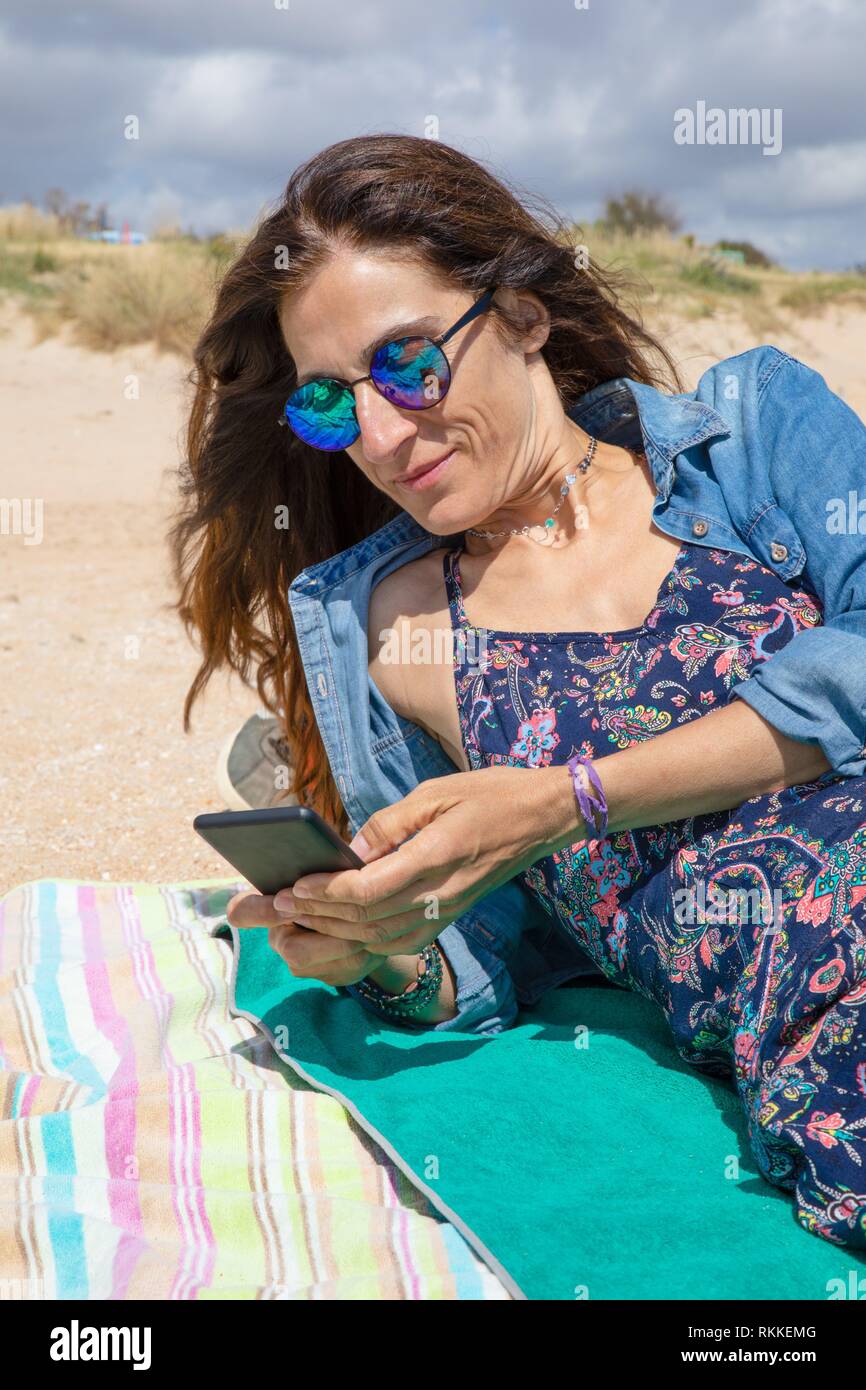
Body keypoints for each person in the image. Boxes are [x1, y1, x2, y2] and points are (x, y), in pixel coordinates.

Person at [171, 133, 866, 1249]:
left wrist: (569, 799)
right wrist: (375, 951)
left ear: (524, 315)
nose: (385, 436)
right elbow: (480, 950)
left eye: (408, 363)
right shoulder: (391, 628)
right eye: (334, 405)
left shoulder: (752, 435)